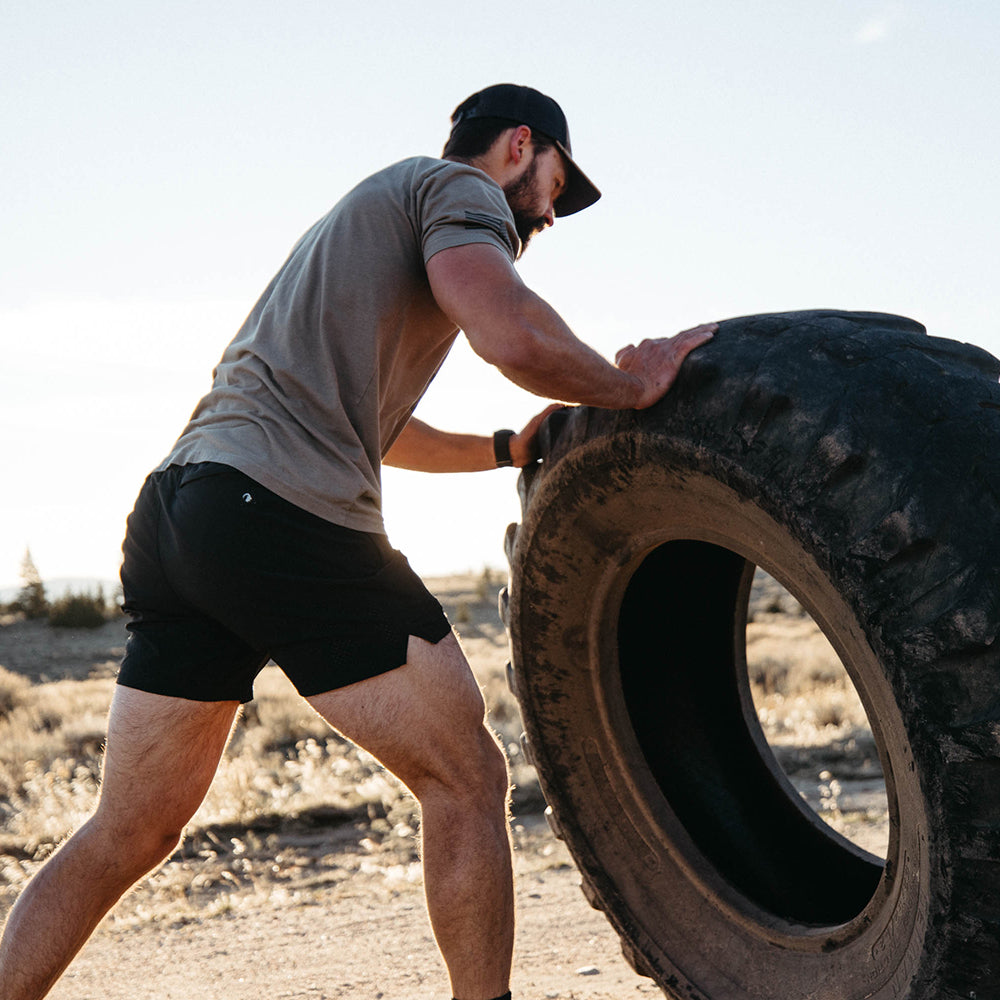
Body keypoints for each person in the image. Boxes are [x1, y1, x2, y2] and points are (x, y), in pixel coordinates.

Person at [0, 83, 715, 1000]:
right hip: (278, 515)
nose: (550, 212)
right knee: (466, 775)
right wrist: (633, 388)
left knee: (128, 830)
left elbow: (383, 431)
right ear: (518, 147)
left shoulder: (374, 225)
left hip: (183, 514)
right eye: (554, 185)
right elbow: (512, 332)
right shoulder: (457, 194)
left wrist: (502, 450)